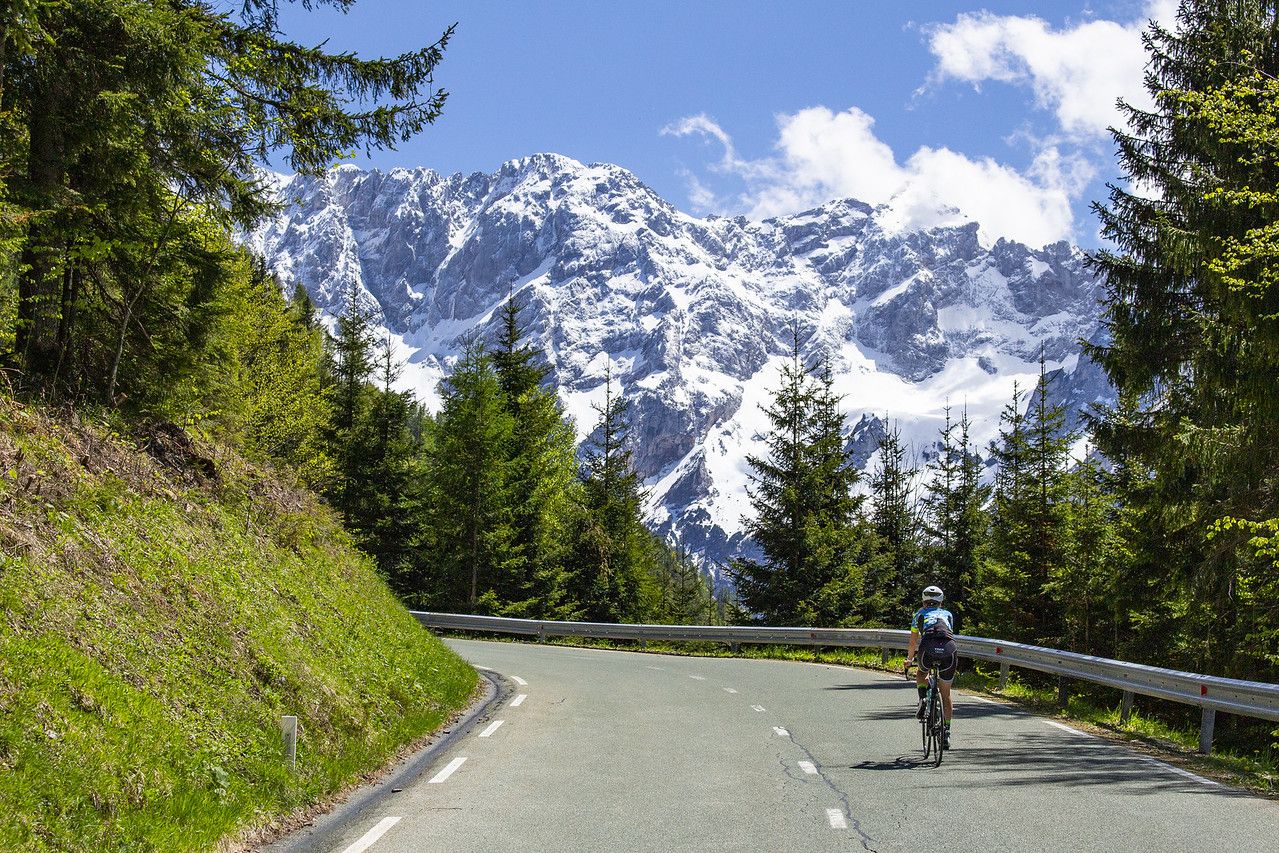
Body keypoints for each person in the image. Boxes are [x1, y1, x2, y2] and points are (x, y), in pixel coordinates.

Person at [904, 584, 957, 748]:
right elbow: (949, 633)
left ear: (924, 600)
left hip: (927, 648)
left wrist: (909, 659)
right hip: (949, 650)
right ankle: (946, 732)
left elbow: (913, 641)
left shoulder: (919, 614)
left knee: (921, 673)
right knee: (946, 694)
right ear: (940, 601)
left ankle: (923, 699)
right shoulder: (948, 614)